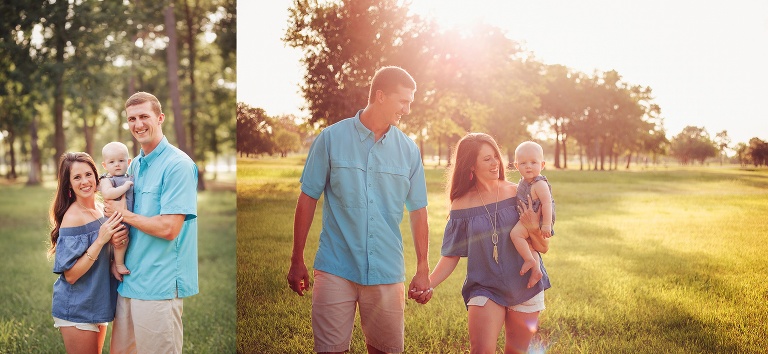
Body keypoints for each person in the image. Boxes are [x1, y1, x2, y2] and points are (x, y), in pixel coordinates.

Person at [286, 66, 431, 354]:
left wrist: (423, 268)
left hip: (387, 271)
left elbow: (419, 211)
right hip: (335, 266)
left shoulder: (409, 151)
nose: (407, 109)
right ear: (380, 96)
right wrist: (296, 259)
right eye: (403, 101)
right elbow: (308, 198)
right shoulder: (330, 139)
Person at [426, 133, 551, 354]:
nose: (496, 163)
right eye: (487, 159)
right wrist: (428, 284)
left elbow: (543, 247)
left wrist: (532, 228)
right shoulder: (460, 204)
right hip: (484, 286)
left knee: (516, 351)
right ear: (470, 166)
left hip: (525, 285)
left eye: (496, 156)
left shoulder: (519, 194)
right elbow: (450, 255)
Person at [105, 91, 199, 354]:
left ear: (160, 118)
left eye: (144, 116)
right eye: (132, 118)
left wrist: (122, 213)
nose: (138, 124)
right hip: (129, 280)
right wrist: (115, 258)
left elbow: (169, 229)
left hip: (159, 285)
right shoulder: (133, 166)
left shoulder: (178, 165)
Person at [48, 152, 125, 354]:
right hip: (76, 308)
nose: (85, 181)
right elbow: (71, 275)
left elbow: (99, 257)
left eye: (88, 174)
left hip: (96, 303)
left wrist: (112, 261)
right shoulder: (73, 217)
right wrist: (100, 240)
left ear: (97, 176)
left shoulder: (100, 209)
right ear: (69, 185)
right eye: (77, 177)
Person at [509, 141, 555, 289]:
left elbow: (547, 203)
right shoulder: (524, 181)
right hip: (528, 217)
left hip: (537, 218)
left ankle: (529, 260)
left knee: (515, 235)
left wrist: (546, 224)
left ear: (542, 165)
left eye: (533, 162)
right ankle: (536, 270)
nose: (528, 166)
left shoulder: (539, 184)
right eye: (523, 163)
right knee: (529, 244)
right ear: (516, 166)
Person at [99, 141, 134, 275]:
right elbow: (107, 193)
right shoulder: (107, 180)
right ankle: (119, 264)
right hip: (114, 218)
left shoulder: (129, 177)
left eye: (121, 160)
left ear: (128, 161)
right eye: (112, 162)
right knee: (121, 240)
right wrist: (124, 188)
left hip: (127, 218)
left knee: (126, 238)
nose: (117, 164)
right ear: (105, 165)